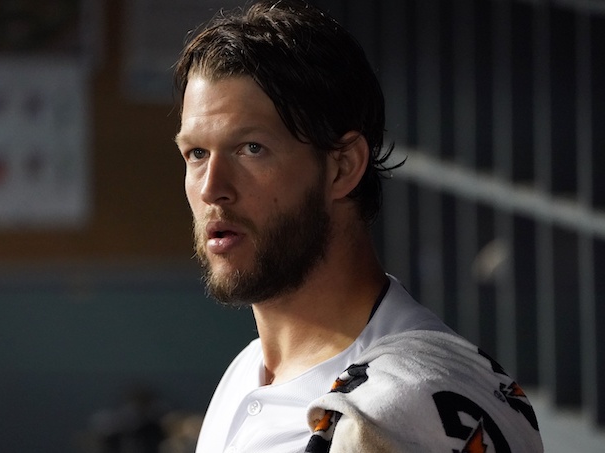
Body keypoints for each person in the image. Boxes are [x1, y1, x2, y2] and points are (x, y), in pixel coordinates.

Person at [173, 1, 544, 451]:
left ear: (343, 167)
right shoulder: (245, 374)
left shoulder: (403, 409)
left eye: (251, 148)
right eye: (196, 153)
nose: (213, 188)